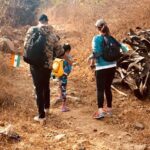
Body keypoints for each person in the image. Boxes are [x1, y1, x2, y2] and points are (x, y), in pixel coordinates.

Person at [24, 14, 67, 123]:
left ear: (39, 21)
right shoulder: (52, 33)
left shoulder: (32, 30)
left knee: (38, 88)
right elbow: (60, 52)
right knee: (46, 85)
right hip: (47, 65)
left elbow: (25, 46)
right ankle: (47, 108)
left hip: (34, 65)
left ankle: (41, 116)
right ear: (47, 21)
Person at [90, 19, 128, 119]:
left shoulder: (96, 38)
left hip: (101, 67)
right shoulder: (111, 38)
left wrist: (91, 61)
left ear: (98, 28)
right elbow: (125, 49)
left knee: (100, 89)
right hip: (112, 66)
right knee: (108, 87)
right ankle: (110, 110)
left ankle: (101, 111)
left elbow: (95, 52)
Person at [58, 43, 73, 112]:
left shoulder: (59, 56)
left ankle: (60, 95)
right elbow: (70, 67)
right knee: (64, 88)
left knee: (60, 85)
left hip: (58, 73)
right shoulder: (68, 57)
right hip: (64, 74)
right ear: (68, 50)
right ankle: (63, 106)